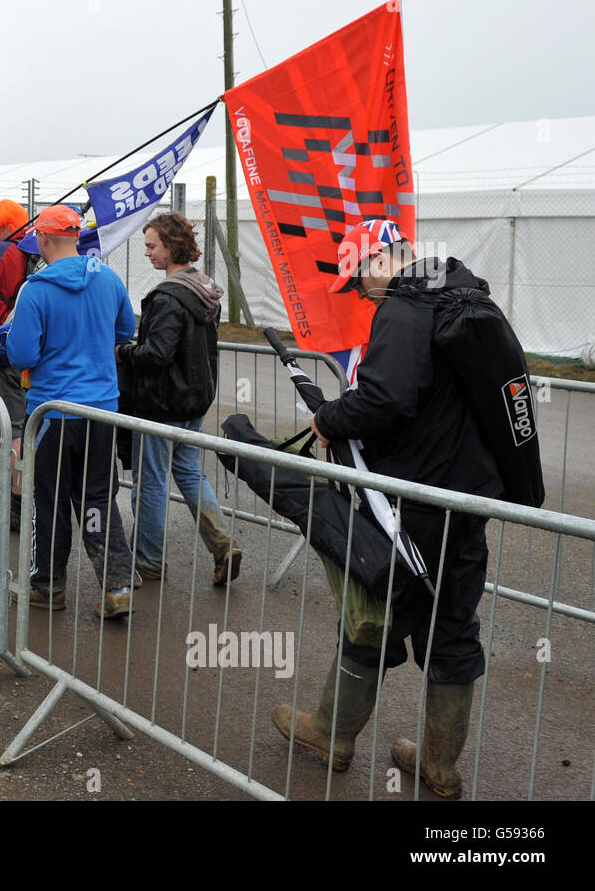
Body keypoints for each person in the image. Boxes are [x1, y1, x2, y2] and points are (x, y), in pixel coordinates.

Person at [274, 219, 503, 799]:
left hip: (409, 499)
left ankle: (331, 733)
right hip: (461, 495)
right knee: (453, 625)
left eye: (360, 281)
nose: (362, 293)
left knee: (373, 609)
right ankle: (440, 765)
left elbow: (386, 397)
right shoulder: (460, 293)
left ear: (380, 260)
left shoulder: (404, 308)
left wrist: (329, 420)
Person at [6, 205, 139, 620]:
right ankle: (116, 586)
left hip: (52, 412)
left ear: (43, 239)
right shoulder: (109, 277)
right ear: (76, 238)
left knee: (48, 502)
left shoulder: (35, 289)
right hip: (102, 412)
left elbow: (22, 353)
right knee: (98, 498)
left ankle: (47, 586)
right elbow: (125, 331)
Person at [115, 212, 242, 586]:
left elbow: (156, 355)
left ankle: (150, 560)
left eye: (152, 246)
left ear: (171, 247)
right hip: (194, 401)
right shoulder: (204, 287)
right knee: (188, 471)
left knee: (150, 483)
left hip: (161, 404)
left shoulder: (168, 297)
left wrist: (123, 352)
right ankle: (222, 543)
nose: (148, 253)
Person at [0, 199, 36, 529]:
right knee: (23, 425)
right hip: (30, 348)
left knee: (9, 429)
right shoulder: (31, 252)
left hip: (2, 351)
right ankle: (16, 490)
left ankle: (16, 501)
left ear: (2, 226)